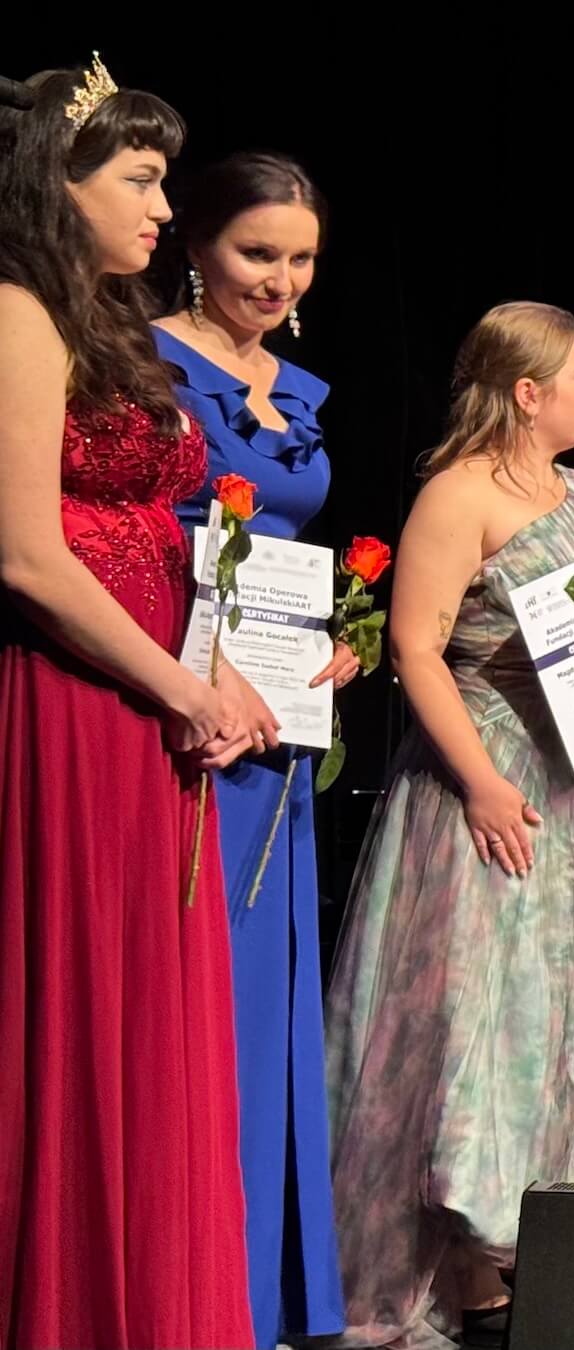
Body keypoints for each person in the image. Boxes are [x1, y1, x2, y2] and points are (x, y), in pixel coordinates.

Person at [322, 302, 574, 1348]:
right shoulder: (459, 495)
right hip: (497, 776)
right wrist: (484, 786)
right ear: (527, 393)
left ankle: (564, 1233)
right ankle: (471, 1240)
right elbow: (416, 649)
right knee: (485, 1008)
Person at [0, 57, 255, 1348]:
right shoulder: (15, 314)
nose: (163, 207)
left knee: (150, 1028)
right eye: (142, 180)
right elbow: (27, 555)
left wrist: (216, 670)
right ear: (61, 181)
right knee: (83, 1014)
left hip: (151, 714)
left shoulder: (103, 320)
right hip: (73, 711)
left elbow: (161, 529)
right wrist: (175, 685)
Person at [154, 150, 348, 1348]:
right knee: (199, 993)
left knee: (269, 996)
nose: (280, 280)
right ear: (197, 245)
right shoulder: (148, 366)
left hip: (280, 724)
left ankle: (263, 1298)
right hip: (183, 708)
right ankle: (191, 1284)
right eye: (257, 253)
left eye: (301, 258)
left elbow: (288, 551)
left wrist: (334, 647)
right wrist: (201, 668)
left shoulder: (296, 389)